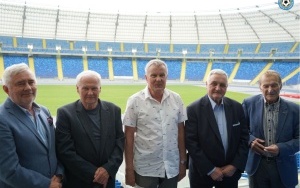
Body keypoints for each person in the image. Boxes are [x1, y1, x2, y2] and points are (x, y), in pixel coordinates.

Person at [123, 59, 187, 188]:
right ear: (146, 78)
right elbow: (128, 138)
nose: (158, 79)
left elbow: (180, 132)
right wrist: (129, 169)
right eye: (154, 75)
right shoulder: (134, 101)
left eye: (162, 75)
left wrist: (182, 162)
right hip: (145, 168)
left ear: (166, 77)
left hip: (171, 166)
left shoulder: (176, 99)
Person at [55, 70, 124, 188]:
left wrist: (107, 170)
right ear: (77, 89)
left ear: (100, 89)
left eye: (94, 88)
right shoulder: (65, 113)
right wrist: (95, 174)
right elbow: (65, 151)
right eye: (85, 88)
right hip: (78, 181)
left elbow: (119, 143)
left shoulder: (114, 110)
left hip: (107, 181)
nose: (90, 92)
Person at [0, 63, 63, 188]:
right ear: (6, 89)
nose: (28, 87)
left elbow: (55, 149)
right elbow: (8, 170)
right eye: (20, 83)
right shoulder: (2, 119)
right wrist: (47, 184)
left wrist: (59, 174)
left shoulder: (44, 111)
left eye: (31, 82)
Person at [185, 69, 249, 188]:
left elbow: (244, 138)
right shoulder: (193, 109)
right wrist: (210, 169)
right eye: (214, 83)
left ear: (227, 87)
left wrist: (234, 165)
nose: (218, 88)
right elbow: (191, 143)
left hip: (230, 173)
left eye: (222, 85)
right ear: (206, 85)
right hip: (202, 174)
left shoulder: (236, 107)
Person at [242, 70, 299, 188]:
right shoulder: (249, 104)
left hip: (284, 168)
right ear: (260, 87)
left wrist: (281, 148)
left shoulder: (295, 110)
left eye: (274, 85)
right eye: (265, 86)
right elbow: (240, 131)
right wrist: (251, 140)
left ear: (280, 86)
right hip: (257, 167)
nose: (270, 89)